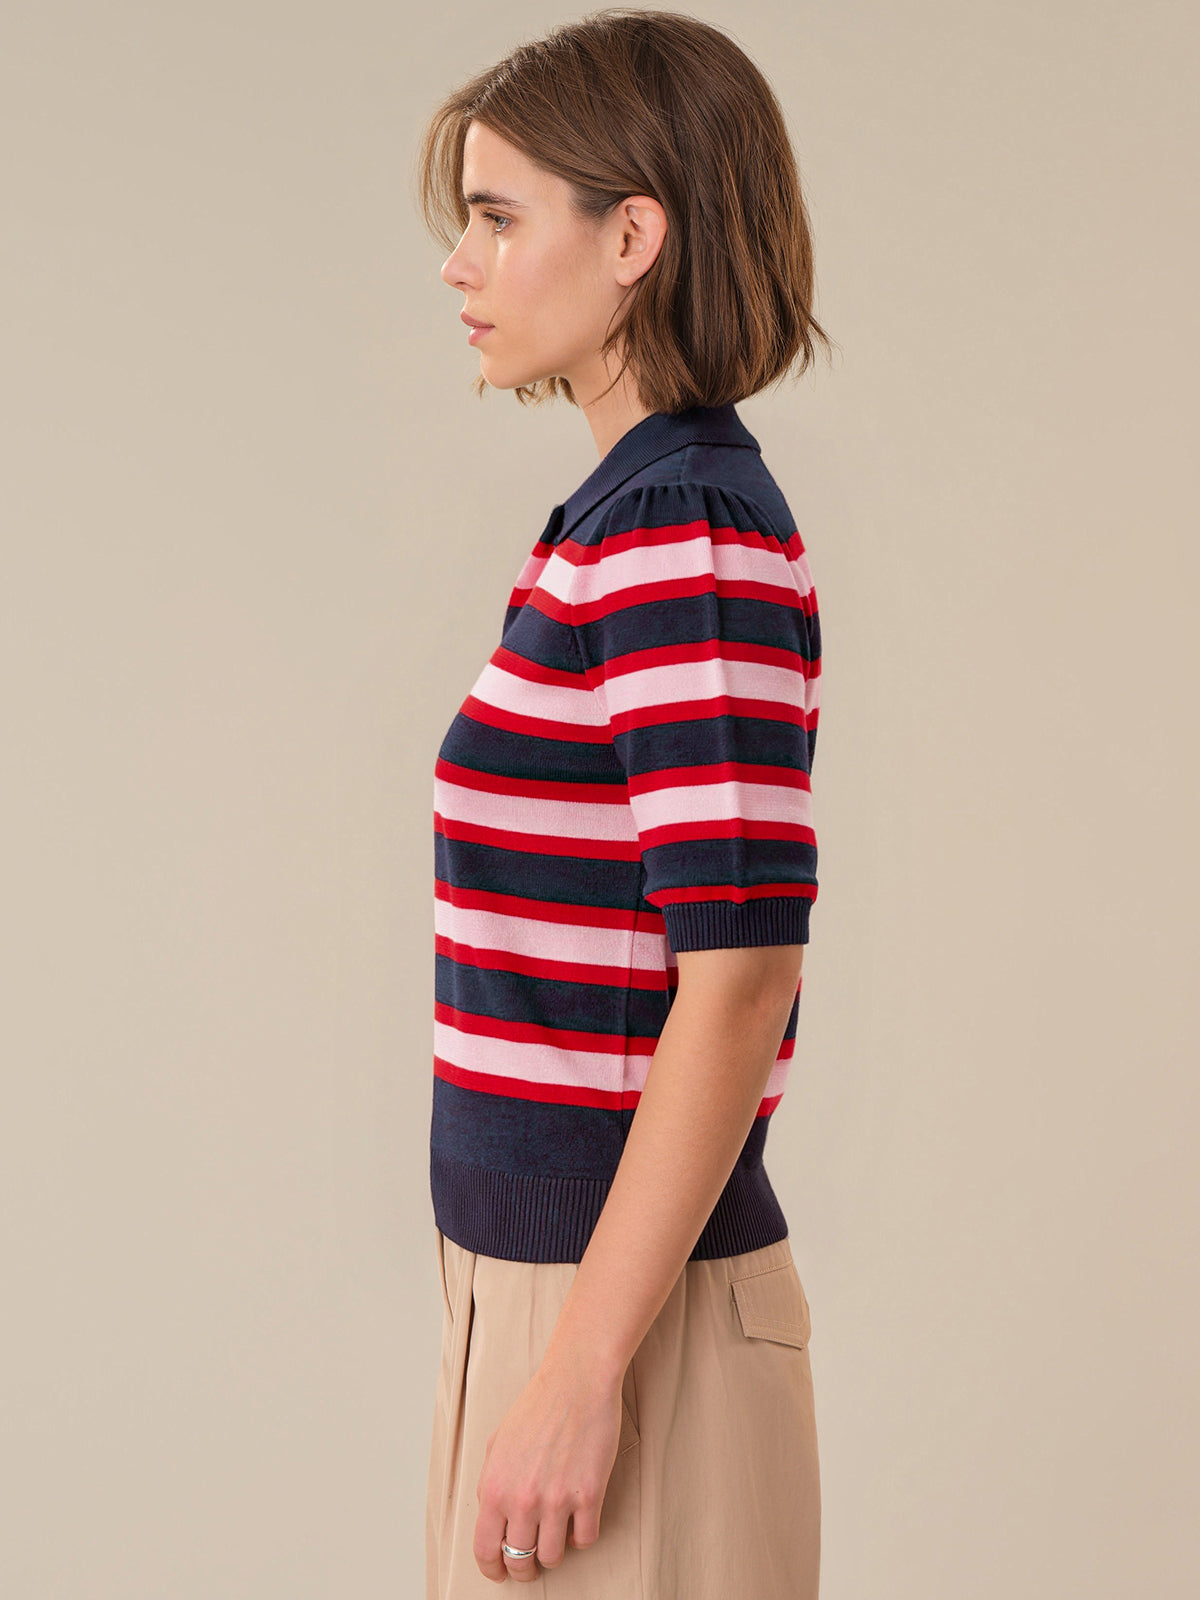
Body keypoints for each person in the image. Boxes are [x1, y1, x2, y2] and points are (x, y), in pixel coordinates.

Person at [413, 9, 834, 1595]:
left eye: (501, 216)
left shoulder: (684, 533)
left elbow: (739, 979)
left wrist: (582, 1374)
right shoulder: (612, 523)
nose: (462, 265)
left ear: (635, 234)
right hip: (542, 1293)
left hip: (618, 1324)